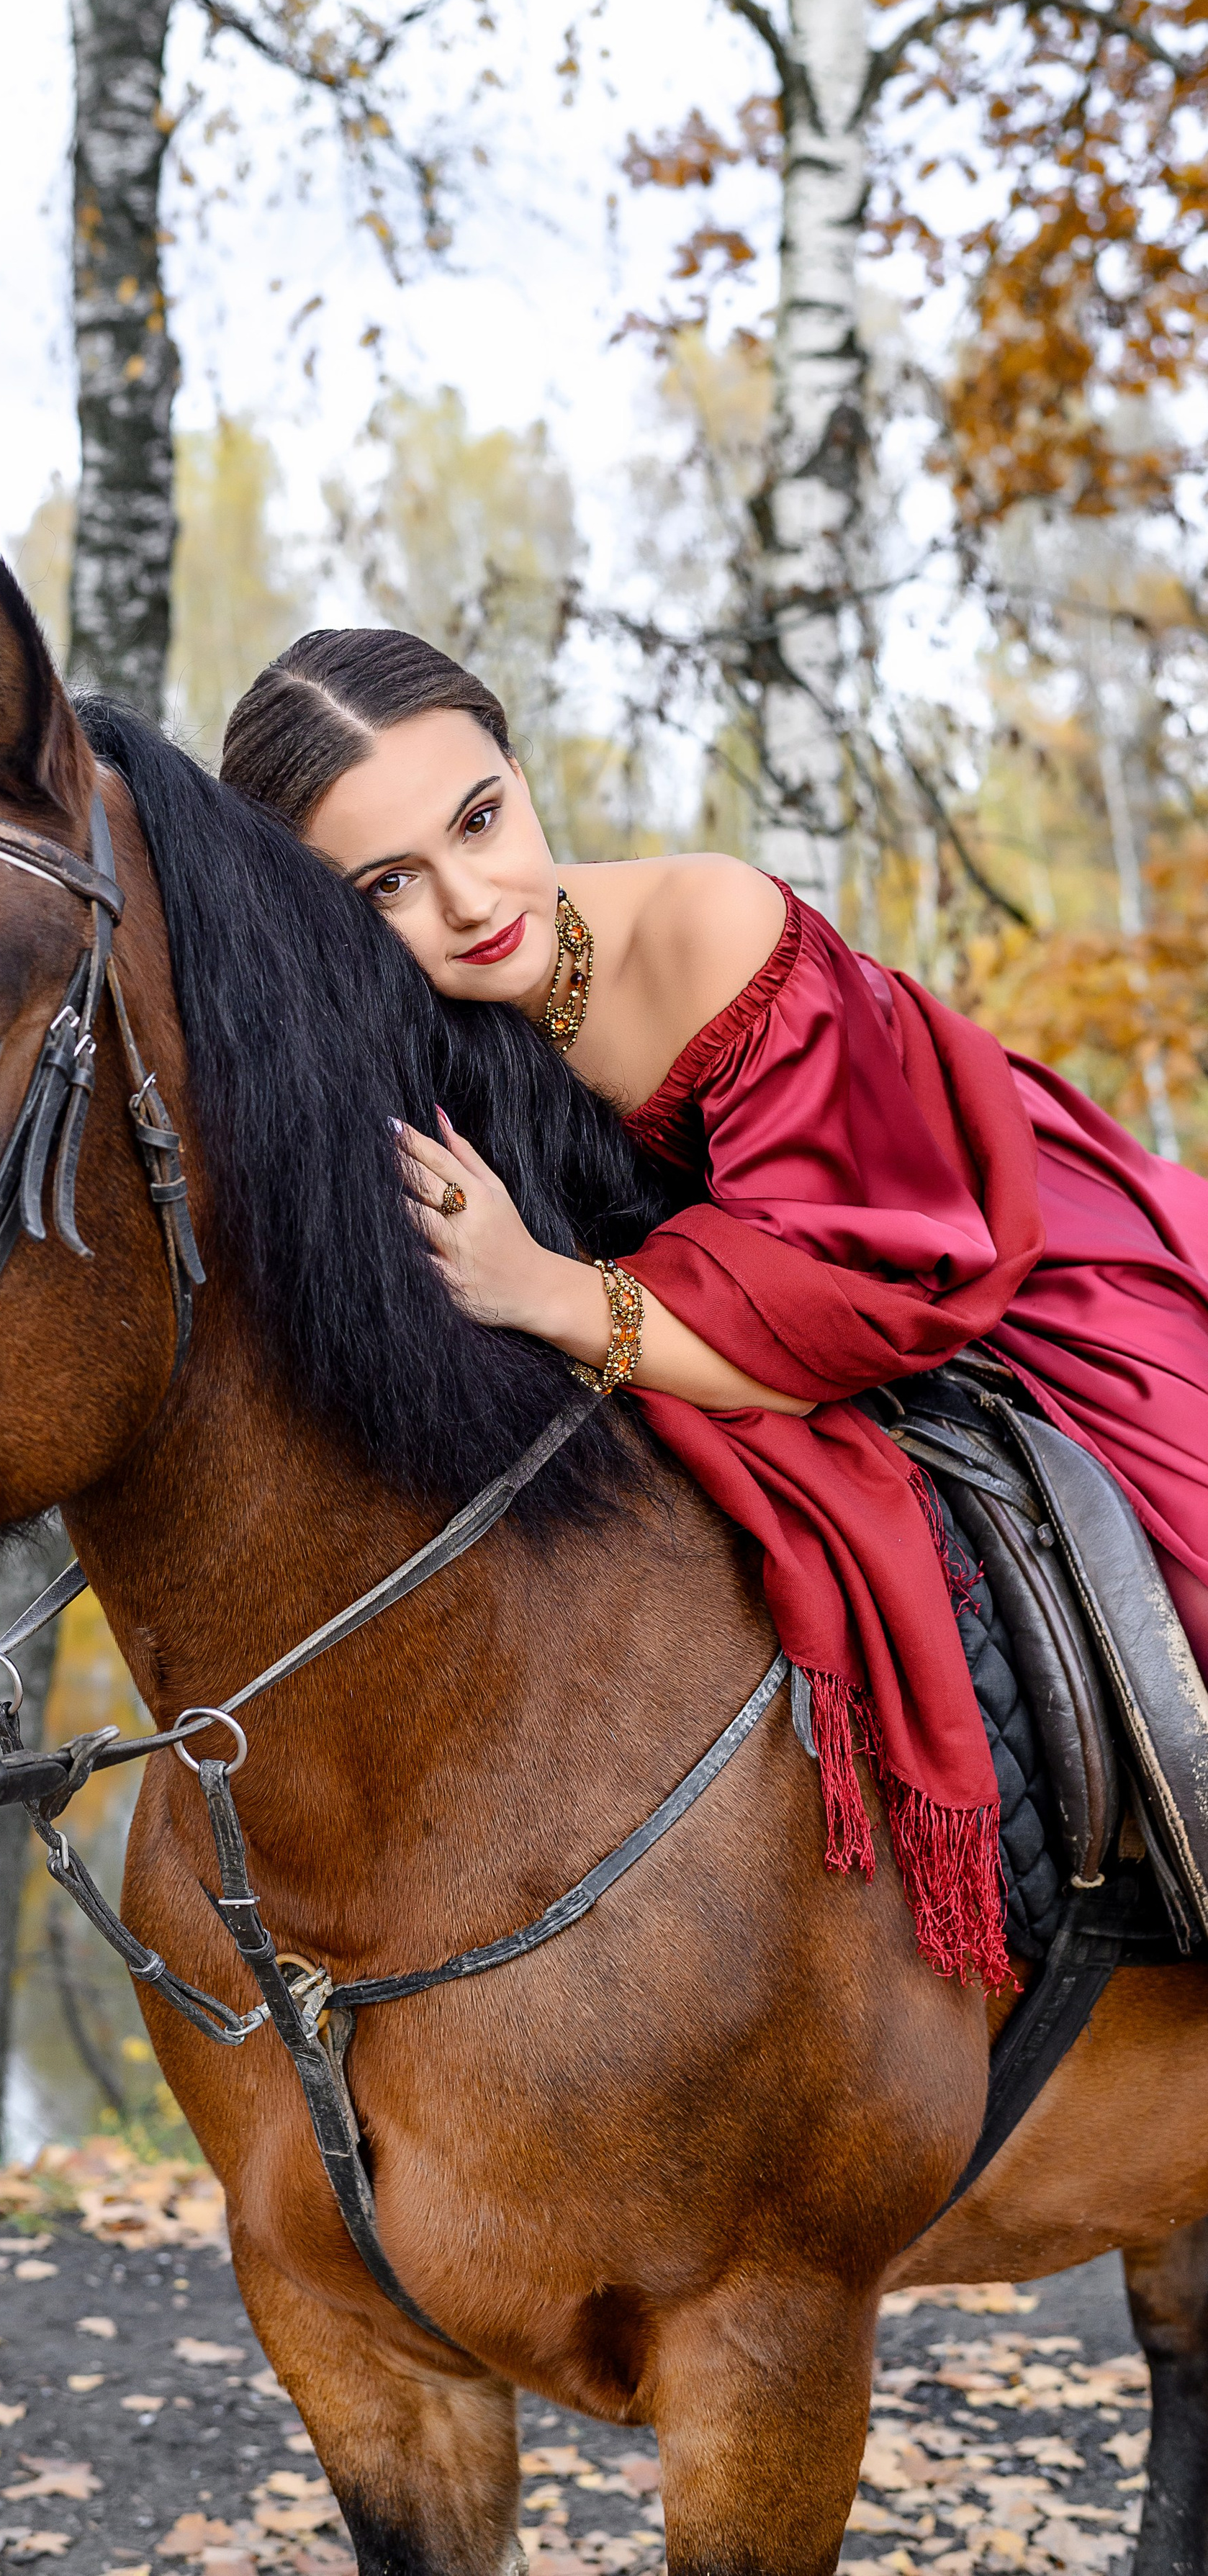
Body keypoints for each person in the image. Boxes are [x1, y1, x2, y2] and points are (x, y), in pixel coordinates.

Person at [219, 626, 1208, 1981]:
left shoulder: (710, 927)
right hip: (750, 1282)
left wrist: (548, 1292)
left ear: (518, 768)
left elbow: (857, 1308)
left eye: (482, 819)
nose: (469, 901)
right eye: (391, 883)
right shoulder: (387, 1027)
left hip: (969, 1248)